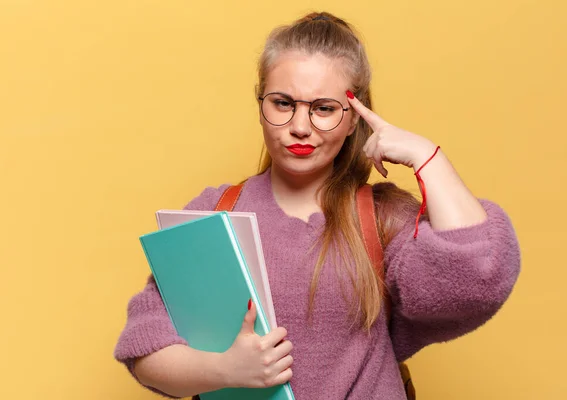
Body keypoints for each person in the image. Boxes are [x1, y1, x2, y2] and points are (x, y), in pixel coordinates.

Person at [114, 11, 521, 400]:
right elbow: (145, 345)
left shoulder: (381, 218)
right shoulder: (214, 212)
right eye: (283, 102)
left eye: (324, 108)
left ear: (352, 119)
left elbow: (478, 279)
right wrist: (226, 370)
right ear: (260, 105)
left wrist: (428, 158)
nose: (301, 126)